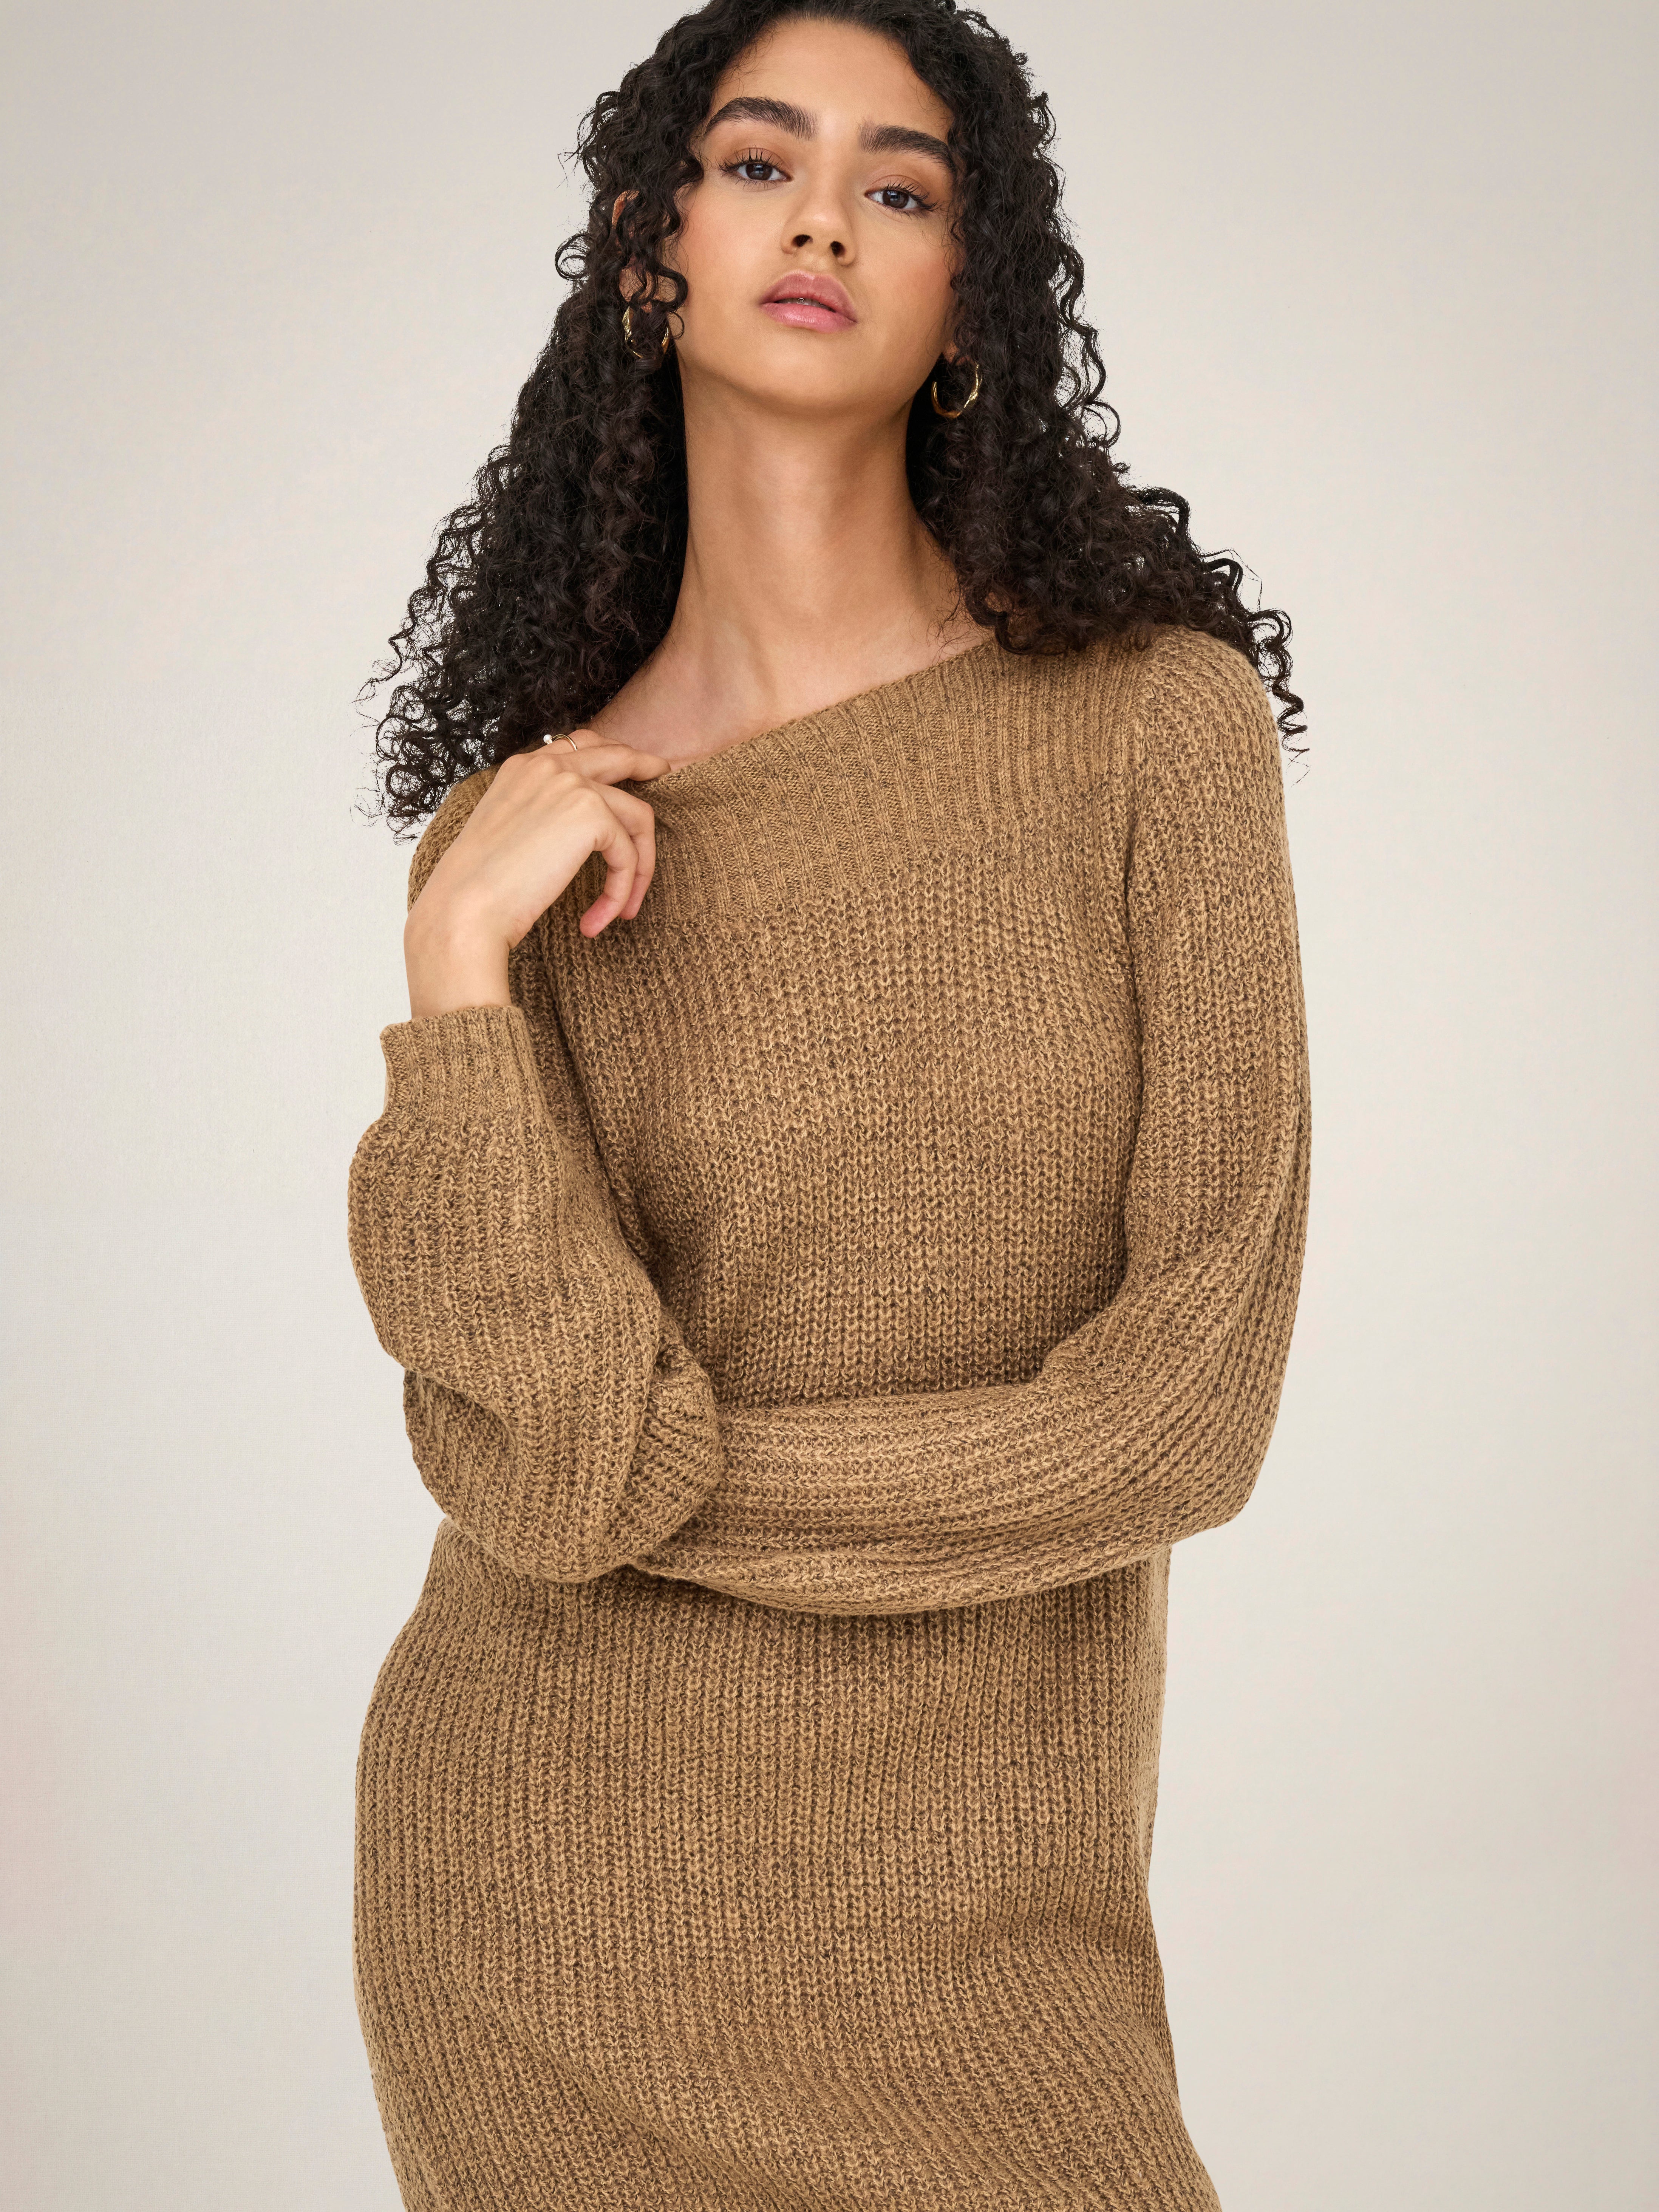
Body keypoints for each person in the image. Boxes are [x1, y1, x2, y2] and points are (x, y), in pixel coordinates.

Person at [346, 0, 1311, 2203]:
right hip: (539, 1898)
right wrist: (454, 975)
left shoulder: (1152, 732)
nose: (822, 222)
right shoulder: (521, 854)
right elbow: (525, 1445)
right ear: (647, 245)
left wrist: (655, 1490)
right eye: (759, 163)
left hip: (993, 1924)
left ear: (972, 293)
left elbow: (1180, 1425)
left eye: (901, 187)